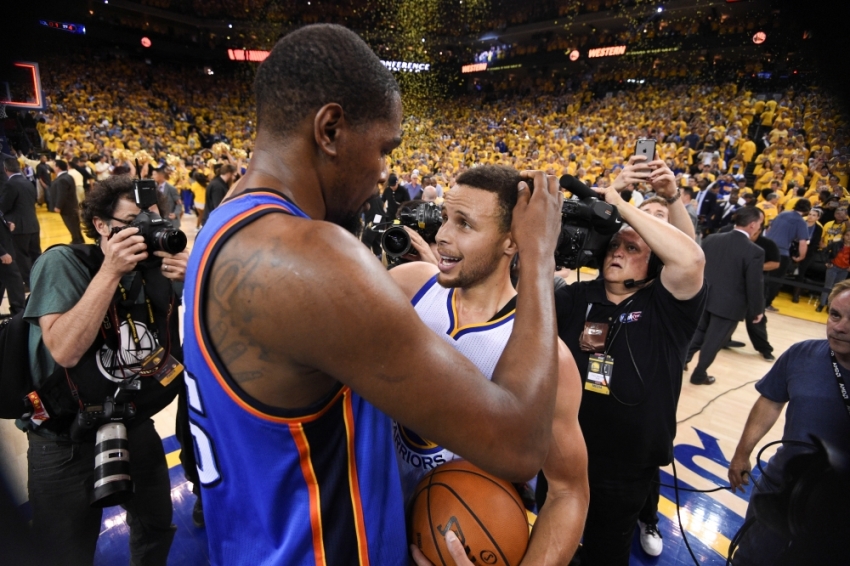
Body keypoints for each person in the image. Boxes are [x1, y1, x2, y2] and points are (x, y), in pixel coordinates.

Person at [182, 24, 563, 566]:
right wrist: (540, 255)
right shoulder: (313, 257)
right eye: (384, 149)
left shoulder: (223, 224)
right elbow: (521, 442)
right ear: (331, 129)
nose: (384, 172)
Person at [388, 165, 589, 565]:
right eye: (446, 217)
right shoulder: (407, 285)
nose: (442, 234)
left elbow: (568, 493)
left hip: (449, 540)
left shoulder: (548, 360)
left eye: (464, 223)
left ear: (511, 242)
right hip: (367, 525)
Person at [20, 174, 189, 565]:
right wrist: (110, 272)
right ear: (101, 224)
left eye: (153, 222)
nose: (145, 234)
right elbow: (64, 350)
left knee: (157, 525)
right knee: (65, 550)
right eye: (134, 223)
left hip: (132, 418)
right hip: (64, 437)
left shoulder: (155, 271)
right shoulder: (62, 263)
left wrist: (194, 275)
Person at [555, 155, 706, 566]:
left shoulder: (665, 307)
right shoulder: (577, 296)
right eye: (614, 245)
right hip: (565, 450)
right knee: (556, 543)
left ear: (654, 263)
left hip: (625, 466)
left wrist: (623, 206)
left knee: (607, 550)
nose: (617, 251)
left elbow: (691, 258)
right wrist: (611, 194)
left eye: (632, 246)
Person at [727, 279, 850, 566]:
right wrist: (742, 453)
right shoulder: (801, 354)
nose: (840, 327)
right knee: (751, 558)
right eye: (835, 315)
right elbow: (770, 401)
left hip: (838, 506)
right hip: (783, 487)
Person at [687, 207, 766, 384]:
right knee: (713, 341)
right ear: (752, 225)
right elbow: (754, 283)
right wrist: (757, 310)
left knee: (697, 335)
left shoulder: (712, 238)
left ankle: (681, 362)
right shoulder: (755, 251)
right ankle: (699, 374)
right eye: (759, 224)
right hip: (729, 305)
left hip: (704, 297)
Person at [763, 199, 811, 311]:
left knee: (760, 275)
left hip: (765, 248)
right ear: (807, 210)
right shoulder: (801, 222)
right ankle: (766, 304)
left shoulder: (782, 214)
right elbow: (803, 242)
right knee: (775, 280)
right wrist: (801, 256)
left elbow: (769, 228)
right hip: (780, 253)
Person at [0, 157, 41, 287]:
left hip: (19, 226)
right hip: (33, 224)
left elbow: (4, 205)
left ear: (5, 169)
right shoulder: (27, 182)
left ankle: (29, 283)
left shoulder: (10, 184)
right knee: (35, 254)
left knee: (22, 256)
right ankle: (40, 281)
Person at [792, 207, 823, 303]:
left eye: (814, 215)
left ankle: (796, 295)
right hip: (794, 250)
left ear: (818, 218)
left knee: (801, 273)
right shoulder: (801, 224)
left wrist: (803, 254)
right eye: (810, 214)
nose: (810, 216)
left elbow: (815, 244)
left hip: (807, 254)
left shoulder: (818, 229)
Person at [49, 159, 84, 244]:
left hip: (67, 207)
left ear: (58, 167)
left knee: (72, 225)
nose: (53, 167)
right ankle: (78, 239)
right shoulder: (68, 176)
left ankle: (77, 241)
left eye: (54, 165)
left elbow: (62, 194)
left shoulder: (62, 179)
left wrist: (58, 206)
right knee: (74, 225)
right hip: (71, 205)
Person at [819, 230, 850, 311]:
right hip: (833, 267)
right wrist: (826, 262)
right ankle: (821, 304)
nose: (849, 237)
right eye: (847, 235)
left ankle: (831, 306)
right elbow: (824, 252)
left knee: (838, 289)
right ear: (843, 236)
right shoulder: (836, 244)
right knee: (828, 286)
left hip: (844, 270)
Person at [152, 166, 183, 230]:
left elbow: (179, 203)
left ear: (161, 175)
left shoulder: (171, 188)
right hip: (159, 220)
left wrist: (175, 213)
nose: (153, 176)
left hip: (170, 221)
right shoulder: (154, 187)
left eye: (154, 174)